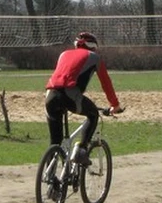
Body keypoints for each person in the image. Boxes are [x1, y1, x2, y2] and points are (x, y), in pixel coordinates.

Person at [45, 31, 123, 163]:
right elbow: (106, 83)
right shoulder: (94, 57)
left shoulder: (63, 54)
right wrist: (114, 105)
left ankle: (49, 176)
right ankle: (81, 150)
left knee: (55, 143)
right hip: (70, 94)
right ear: (93, 46)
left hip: (50, 94)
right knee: (93, 114)